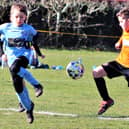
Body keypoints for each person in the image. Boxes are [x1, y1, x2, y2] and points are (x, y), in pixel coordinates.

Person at [0, 3, 45, 123]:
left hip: (24, 57)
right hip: (11, 59)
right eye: (17, 17)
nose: (19, 19)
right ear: (11, 17)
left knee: (16, 67)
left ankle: (37, 85)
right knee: (18, 86)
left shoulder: (28, 29)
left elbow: (36, 38)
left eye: (22, 17)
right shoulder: (5, 28)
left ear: (25, 17)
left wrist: (39, 53)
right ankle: (29, 107)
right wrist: (2, 54)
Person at [92, 7, 129, 115]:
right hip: (120, 63)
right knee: (97, 73)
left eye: (121, 21)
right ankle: (107, 100)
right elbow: (123, 39)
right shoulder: (125, 31)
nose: (120, 24)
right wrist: (119, 43)